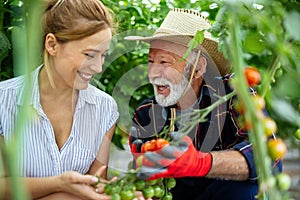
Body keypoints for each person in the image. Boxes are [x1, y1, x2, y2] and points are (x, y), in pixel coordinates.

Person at [125, 8, 282, 200]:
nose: (153, 73)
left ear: (198, 68)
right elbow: (150, 184)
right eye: (151, 61)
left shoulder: (232, 93)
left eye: (165, 62)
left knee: (243, 190)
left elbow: (267, 156)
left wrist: (201, 163)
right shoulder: (145, 114)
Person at [0, 0, 119, 199]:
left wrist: (106, 189)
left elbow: (95, 182)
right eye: (89, 55)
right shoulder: (4, 101)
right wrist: (60, 184)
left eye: (103, 56)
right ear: (52, 45)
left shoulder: (105, 108)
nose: (98, 67)